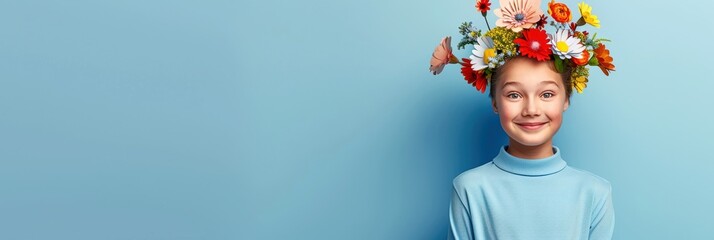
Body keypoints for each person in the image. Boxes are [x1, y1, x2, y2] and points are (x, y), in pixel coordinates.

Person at [428, 0, 616, 239]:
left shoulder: (595, 193)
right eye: (514, 94)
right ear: (495, 102)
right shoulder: (469, 188)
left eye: (547, 94)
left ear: (566, 99)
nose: (531, 109)